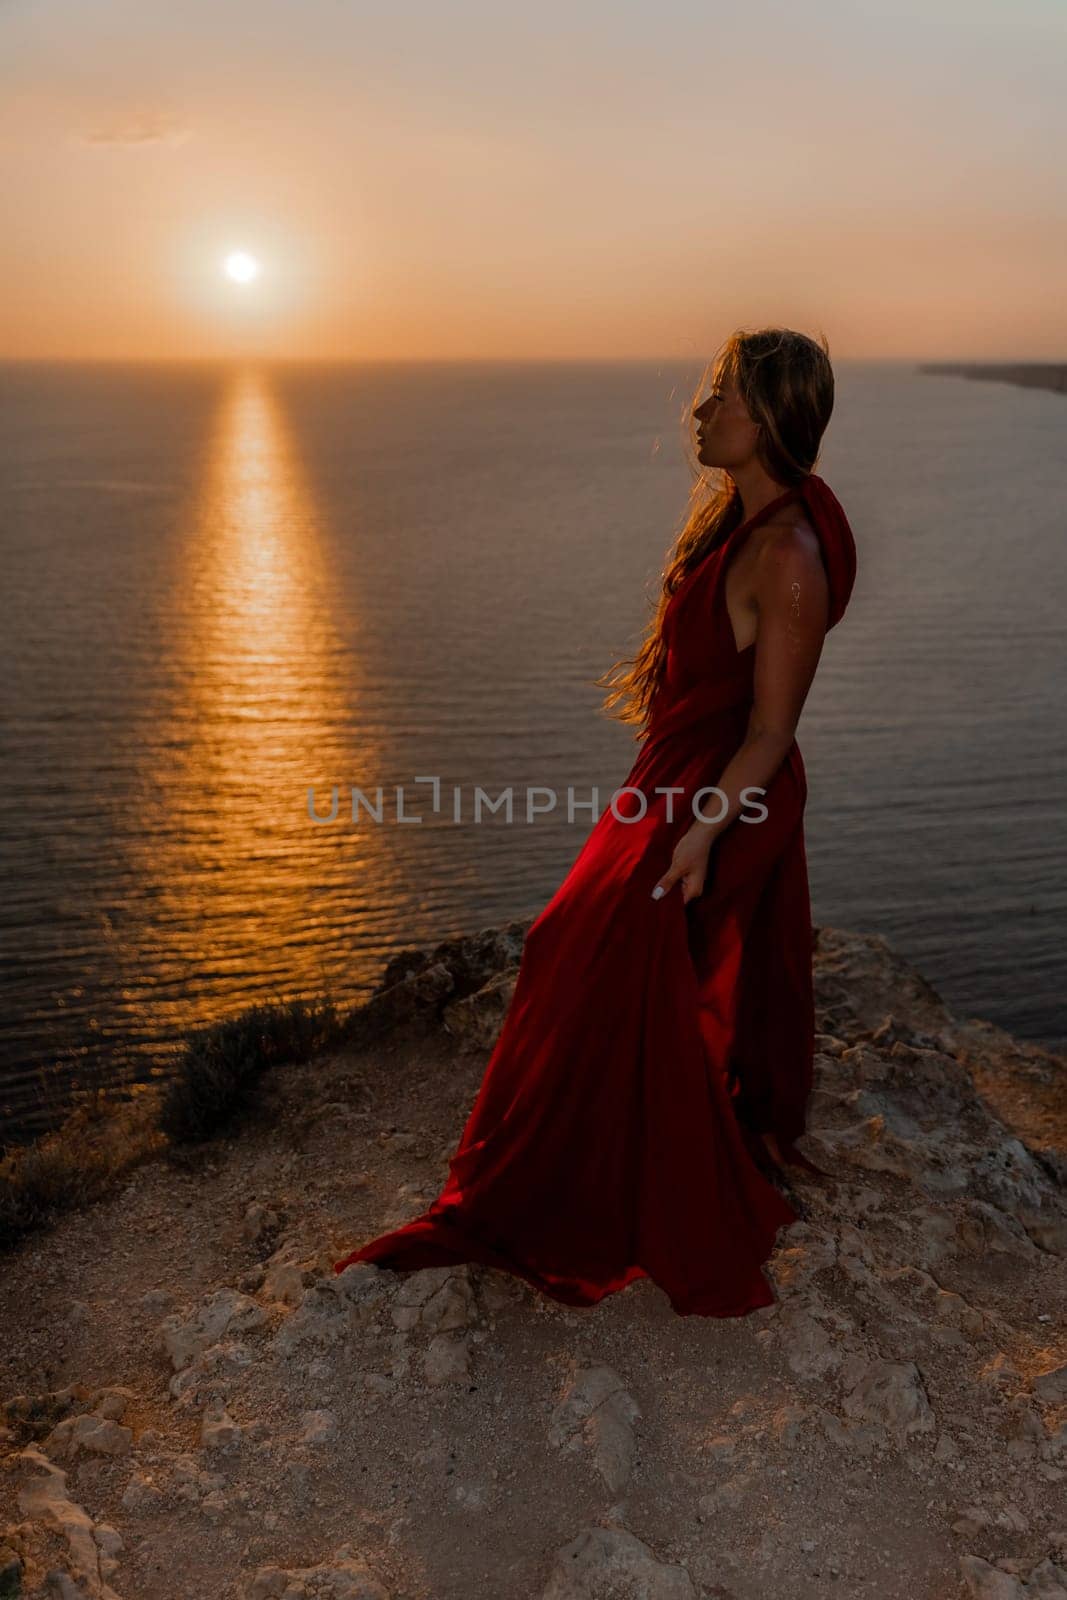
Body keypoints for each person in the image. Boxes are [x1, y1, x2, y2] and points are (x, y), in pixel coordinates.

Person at [334, 326, 858, 1318]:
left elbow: (770, 729)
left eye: (720, 399)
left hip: (716, 796)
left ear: (771, 420)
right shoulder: (734, 527)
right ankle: (604, 1148)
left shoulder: (786, 554)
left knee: (598, 957)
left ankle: (604, 1178)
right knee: (566, 951)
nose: (698, 413)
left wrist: (697, 836)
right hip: (671, 781)